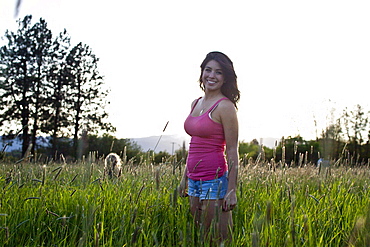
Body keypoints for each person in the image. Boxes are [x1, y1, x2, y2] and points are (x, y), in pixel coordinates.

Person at [179, 51, 240, 244]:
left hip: (215, 181)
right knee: (201, 236)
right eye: (208, 70)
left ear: (225, 78)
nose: (212, 76)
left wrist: (231, 190)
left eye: (219, 72)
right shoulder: (195, 103)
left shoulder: (225, 107)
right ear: (202, 72)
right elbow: (194, 146)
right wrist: (184, 180)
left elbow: (232, 150)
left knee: (219, 239)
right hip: (194, 181)